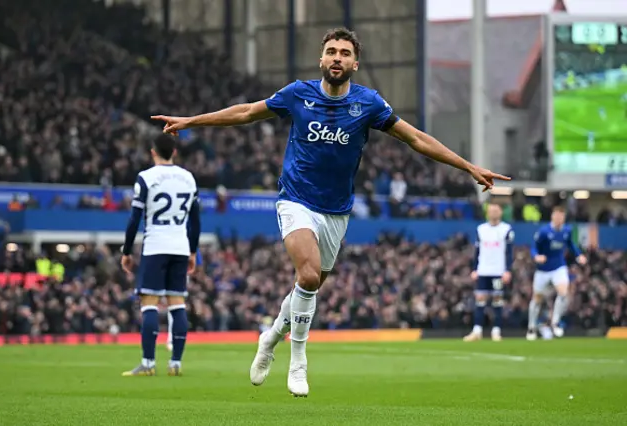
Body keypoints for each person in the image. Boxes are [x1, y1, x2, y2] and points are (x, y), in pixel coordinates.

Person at [151, 27, 510, 396]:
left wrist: (467, 166)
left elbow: (416, 138)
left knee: (310, 286)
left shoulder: (368, 103)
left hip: (336, 211)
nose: (337, 57)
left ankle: (271, 336)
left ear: (355, 63)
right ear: (321, 59)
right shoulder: (297, 94)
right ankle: (298, 360)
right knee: (307, 277)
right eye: (331, 51)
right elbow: (246, 112)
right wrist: (192, 120)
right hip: (295, 200)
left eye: (344, 53)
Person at [121, 134, 201, 376]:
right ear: (174, 152)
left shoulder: (146, 177)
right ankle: (175, 363)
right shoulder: (188, 178)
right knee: (178, 304)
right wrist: (192, 251)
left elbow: (135, 218)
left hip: (155, 245)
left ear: (152, 151)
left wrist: (126, 250)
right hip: (179, 245)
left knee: (149, 304)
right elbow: (195, 220)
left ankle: (148, 363)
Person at [527, 206, 587, 340]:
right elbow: (534, 247)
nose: (560, 219)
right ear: (552, 217)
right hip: (543, 270)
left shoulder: (567, 230)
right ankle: (531, 327)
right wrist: (536, 256)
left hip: (559, 267)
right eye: (557, 216)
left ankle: (555, 322)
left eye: (562, 217)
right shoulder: (543, 232)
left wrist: (578, 255)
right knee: (537, 299)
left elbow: (571, 244)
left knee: (563, 293)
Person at [463, 203, 514, 342]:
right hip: (483, 270)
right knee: (480, 300)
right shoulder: (481, 229)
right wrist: (475, 269)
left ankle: (496, 331)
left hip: (498, 271)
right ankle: (477, 331)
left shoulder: (506, 229)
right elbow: (477, 251)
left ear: (501, 212)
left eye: (496, 210)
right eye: (491, 210)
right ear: (487, 213)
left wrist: (507, 270)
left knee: (497, 301)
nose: (493, 213)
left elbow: (509, 252)